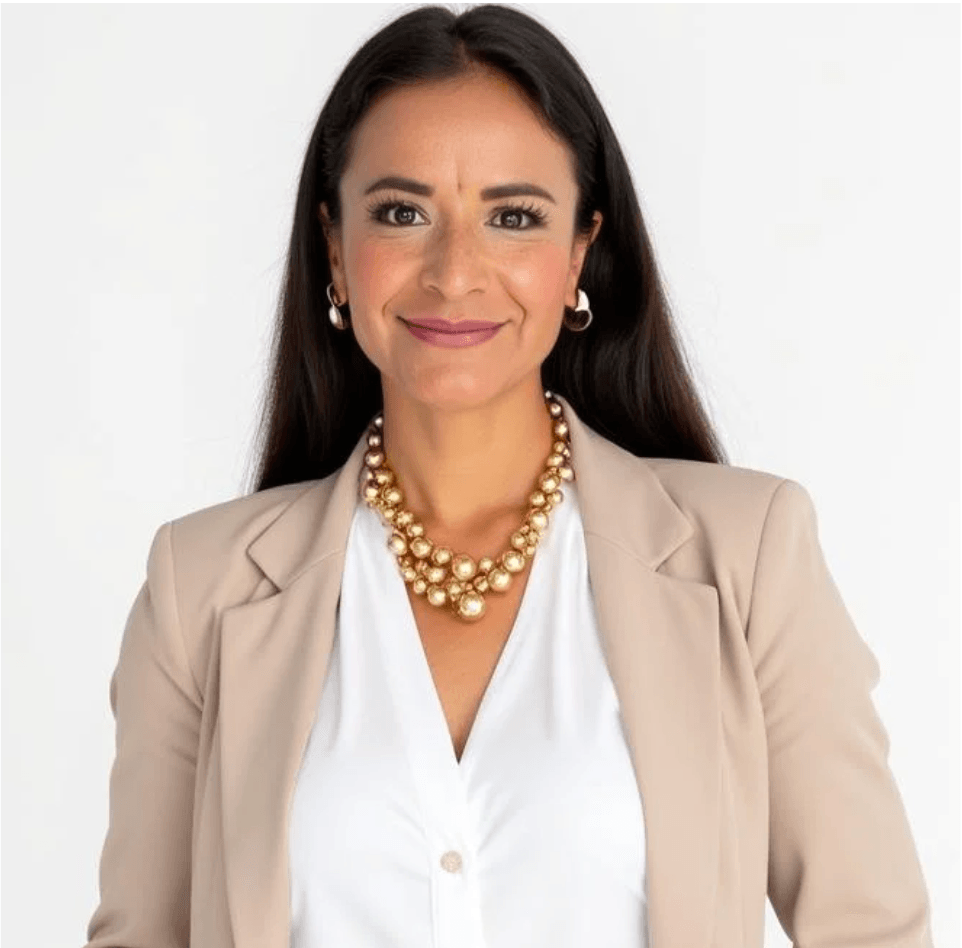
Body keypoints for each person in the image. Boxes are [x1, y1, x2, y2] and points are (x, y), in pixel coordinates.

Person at [83, 5, 934, 947]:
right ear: (334, 249)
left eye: (514, 218)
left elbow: (872, 930)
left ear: (579, 254)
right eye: (402, 213)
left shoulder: (746, 558)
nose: (455, 273)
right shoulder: (199, 590)